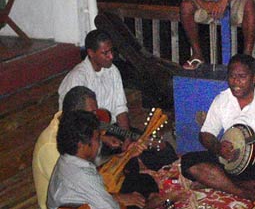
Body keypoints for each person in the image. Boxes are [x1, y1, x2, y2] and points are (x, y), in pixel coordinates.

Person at [58, 29, 177, 169]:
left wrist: (126, 137)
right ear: (91, 53)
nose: (111, 56)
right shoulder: (77, 78)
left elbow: (120, 108)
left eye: (111, 51)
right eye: (105, 53)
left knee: (163, 149)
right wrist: (102, 138)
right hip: (87, 137)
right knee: (127, 163)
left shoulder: (112, 70)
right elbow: (71, 124)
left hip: (111, 129)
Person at [180, 54, 255, 199]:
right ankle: (241, 190)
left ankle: (217, 182)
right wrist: (218, 148)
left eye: (242, 76)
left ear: (254, 78)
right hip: (231, 159)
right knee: (188, 162)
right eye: (232, 76)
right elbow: (206, 134)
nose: (236, 82)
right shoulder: (223, 99)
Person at [32, 86, 124, 209]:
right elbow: (81, 183)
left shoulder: (72, 133)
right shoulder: (51, 145)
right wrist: (117, 198)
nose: (96, 118)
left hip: (84, 195)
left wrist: (104, 141)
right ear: (77, 114)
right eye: (91, 113)